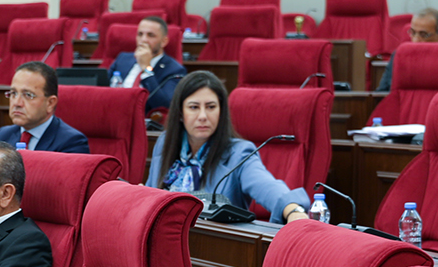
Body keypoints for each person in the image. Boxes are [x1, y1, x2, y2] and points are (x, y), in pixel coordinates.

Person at [146, 71, 310, 223]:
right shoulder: (165, 144)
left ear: (221, 111)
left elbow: (267, 186)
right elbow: (151, 193)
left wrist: (293, 210)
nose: (203, 116)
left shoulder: (239, 153)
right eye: (194, 107)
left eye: (211, 107)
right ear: (180, 113)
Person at [0, 62, 90, 153]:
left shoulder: (72, 142)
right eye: (14, 93)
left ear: (50, 103)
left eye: (28, 95)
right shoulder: (4, 135)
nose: (17, 103)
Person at [107, 16, 185, 115]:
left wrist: (146, 67)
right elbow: (102, 87)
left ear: (164, 41)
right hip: (112, 113)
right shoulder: (123, 59)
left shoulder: (174, 70)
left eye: (151, 35)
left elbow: (164, 107)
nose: (143, 40)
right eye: (140, 34)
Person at [375, 6, 438, 93]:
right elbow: (381, 93)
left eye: (423, 34)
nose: (415, 40)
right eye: (413, 33)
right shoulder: (399, 56)